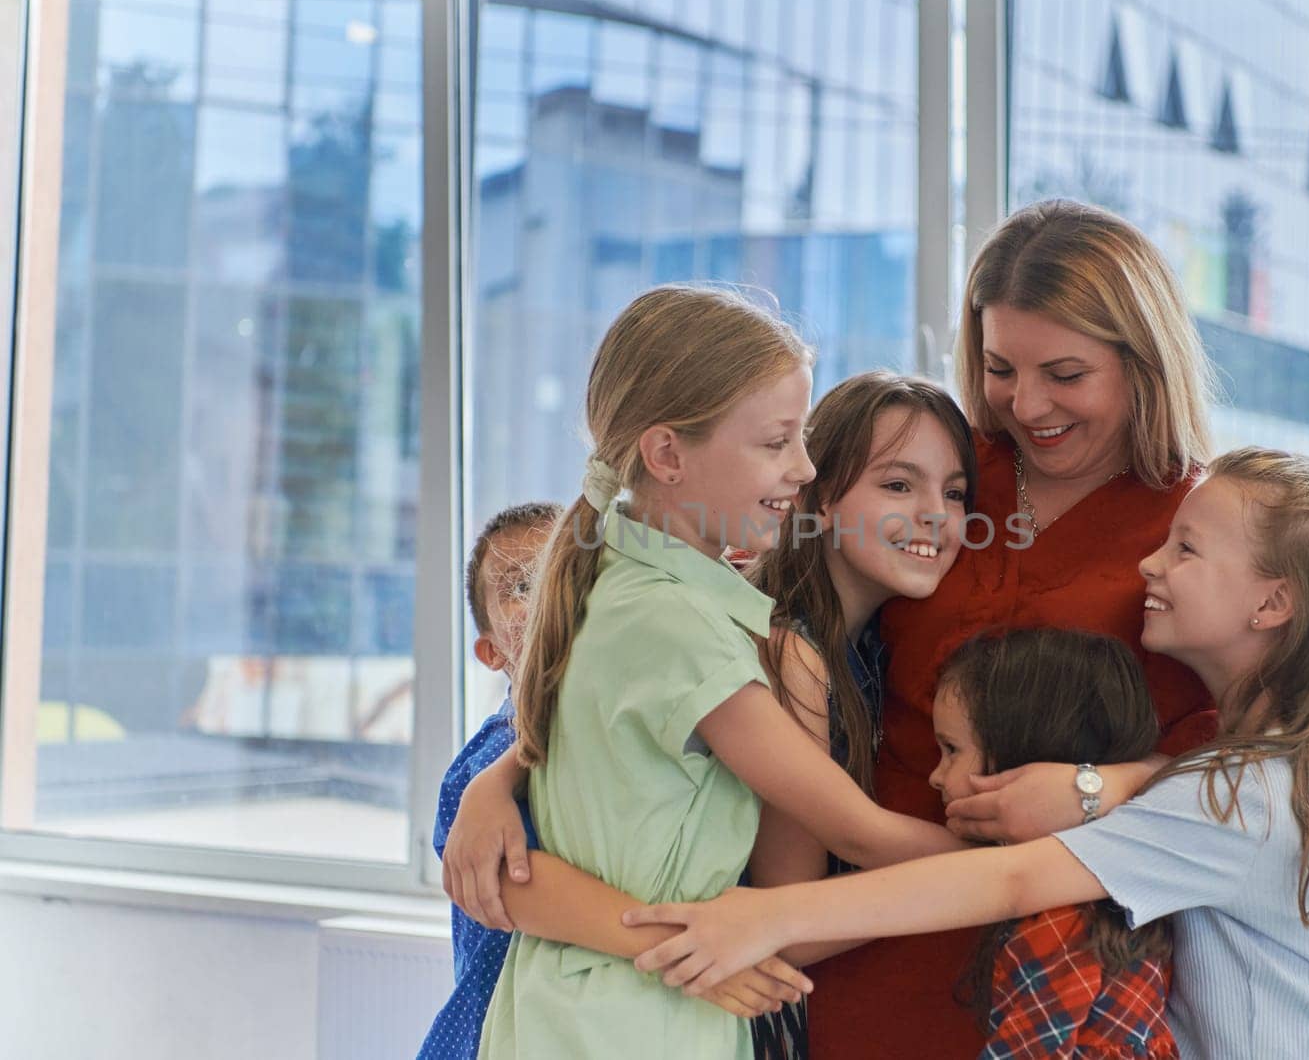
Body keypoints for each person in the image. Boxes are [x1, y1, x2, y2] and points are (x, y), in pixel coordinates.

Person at [628, 448, 1309, 1060]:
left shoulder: (1243, 795)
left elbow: (1013, 876)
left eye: (1186, 549)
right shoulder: (1259, 775)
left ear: (1272, 603)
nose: (1150, 563)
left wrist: (769, 913)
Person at [471, 286, 964, 1060]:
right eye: (776, 442)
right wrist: (1037, 867)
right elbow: (855, 831)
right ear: (667, 455)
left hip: (577, 1012)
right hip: (636, 1025)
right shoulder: (685, 628)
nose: (803, 468)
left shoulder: (619, 585)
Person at [808, 199, 1223, 1056]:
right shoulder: (940, 469)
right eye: (1000, 368)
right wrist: (505, 766)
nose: (1026, 404)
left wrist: (1100, 788)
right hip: (860, 936)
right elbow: (771, 603)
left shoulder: (1206, 522)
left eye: (1065, 374)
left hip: (1065, 972)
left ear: (1142, 362)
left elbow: (1265, 760)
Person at [929, 627, 1177, 1059]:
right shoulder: (1116, 890)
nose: (935, 775)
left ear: (1023, 755)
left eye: (951, 750)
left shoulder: (1059, 926)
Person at [418, 502, 559, 1059]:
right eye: (521, 584)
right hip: (492, 1031)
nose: (549, 593)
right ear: (492, 651)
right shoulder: (494, 756)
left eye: (562, 572)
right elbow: (518, 892)